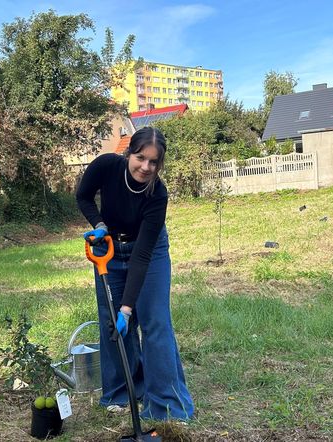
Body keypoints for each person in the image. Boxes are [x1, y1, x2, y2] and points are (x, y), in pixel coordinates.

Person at [76, 127, 194, 421]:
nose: (146, 167)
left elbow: (142, 256)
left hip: (149, 251)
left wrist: (128, 309)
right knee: (111, 324)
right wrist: (99, 224)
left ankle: (167, 404)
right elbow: (83, 196)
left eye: (154, 162)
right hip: (110, 249)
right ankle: (121, 392)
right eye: (141, 158)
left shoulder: (158, 193)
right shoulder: (106, 166)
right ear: (129, 152)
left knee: (154, 321)